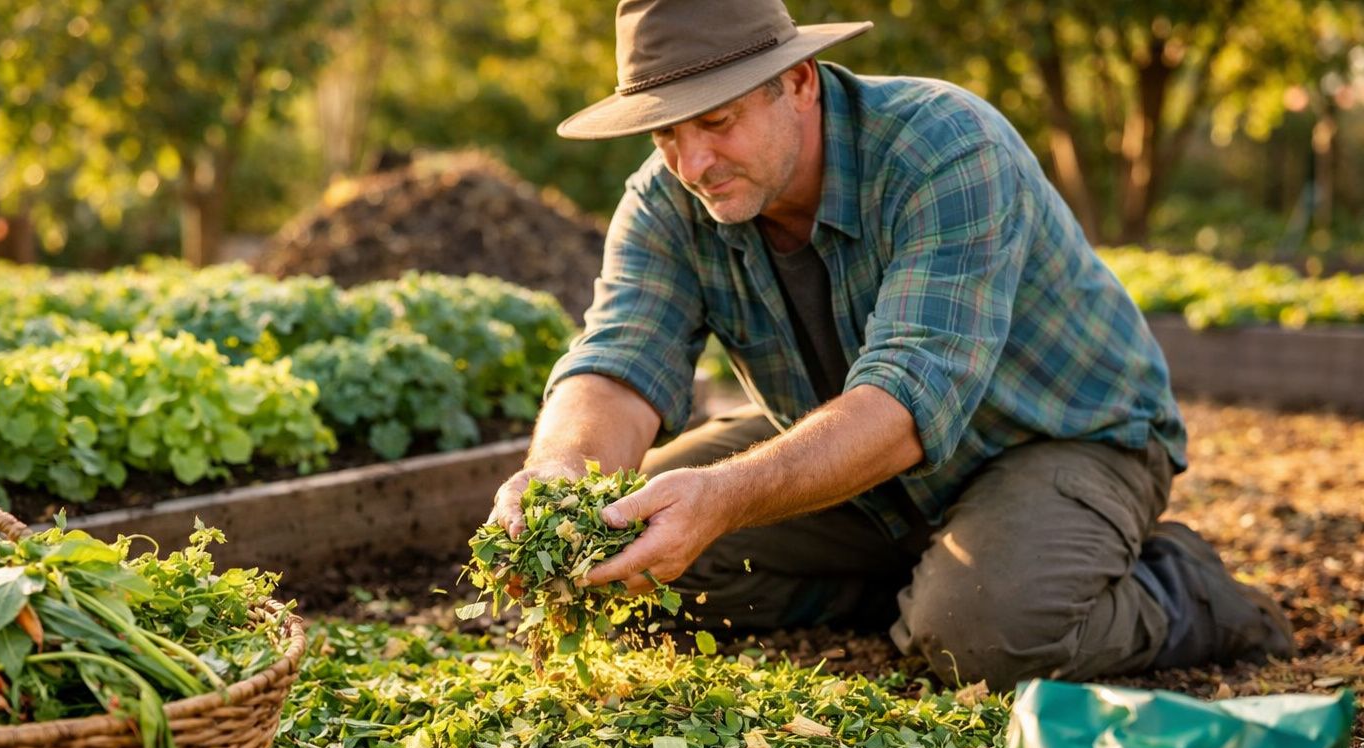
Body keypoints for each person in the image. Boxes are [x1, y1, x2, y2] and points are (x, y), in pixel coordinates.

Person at [488, 0, 1294, 688]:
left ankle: (1185, 591)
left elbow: (911, 397)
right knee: (620, 563)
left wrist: (725, 498)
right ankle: (935, 579)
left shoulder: (944, 147)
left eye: (717, 121)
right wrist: (562, 471)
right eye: (666, 132)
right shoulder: (668, 201)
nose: (692, 162)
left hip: (1056, 439)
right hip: (855, 462)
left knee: (978, 643)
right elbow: (619, 360)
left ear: (796, 83)